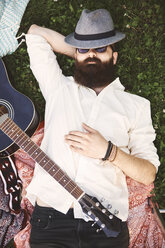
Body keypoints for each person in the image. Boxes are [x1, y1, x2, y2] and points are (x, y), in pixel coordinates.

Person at [25, 9, 160, 248]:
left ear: (114, 56)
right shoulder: (59, 88)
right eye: (83, 49)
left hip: (105, 227)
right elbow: (35, 34)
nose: (91, 55)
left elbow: (148, 173)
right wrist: (87, 56)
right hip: (51, 221)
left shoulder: (136, 106)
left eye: (100, 49)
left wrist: (109, 151)